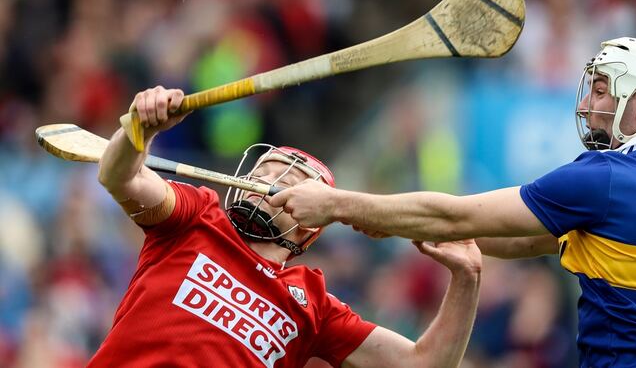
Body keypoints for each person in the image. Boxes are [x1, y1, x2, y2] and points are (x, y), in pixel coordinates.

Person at [271, 37, 636, 367]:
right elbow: (525, 242)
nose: (585, 103)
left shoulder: (612, 178)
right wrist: (407, 225)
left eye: (600, 90)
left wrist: (337, 204)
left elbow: (453, 215)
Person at [90, 86, 482, 368]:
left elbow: (423, 364)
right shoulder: (196, 217)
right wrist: (140, 129)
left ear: (309, 224)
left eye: (288, 181)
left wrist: (468, 278)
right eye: (264, 172)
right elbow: (119, 176)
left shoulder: (315, 307)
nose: (267, 182)